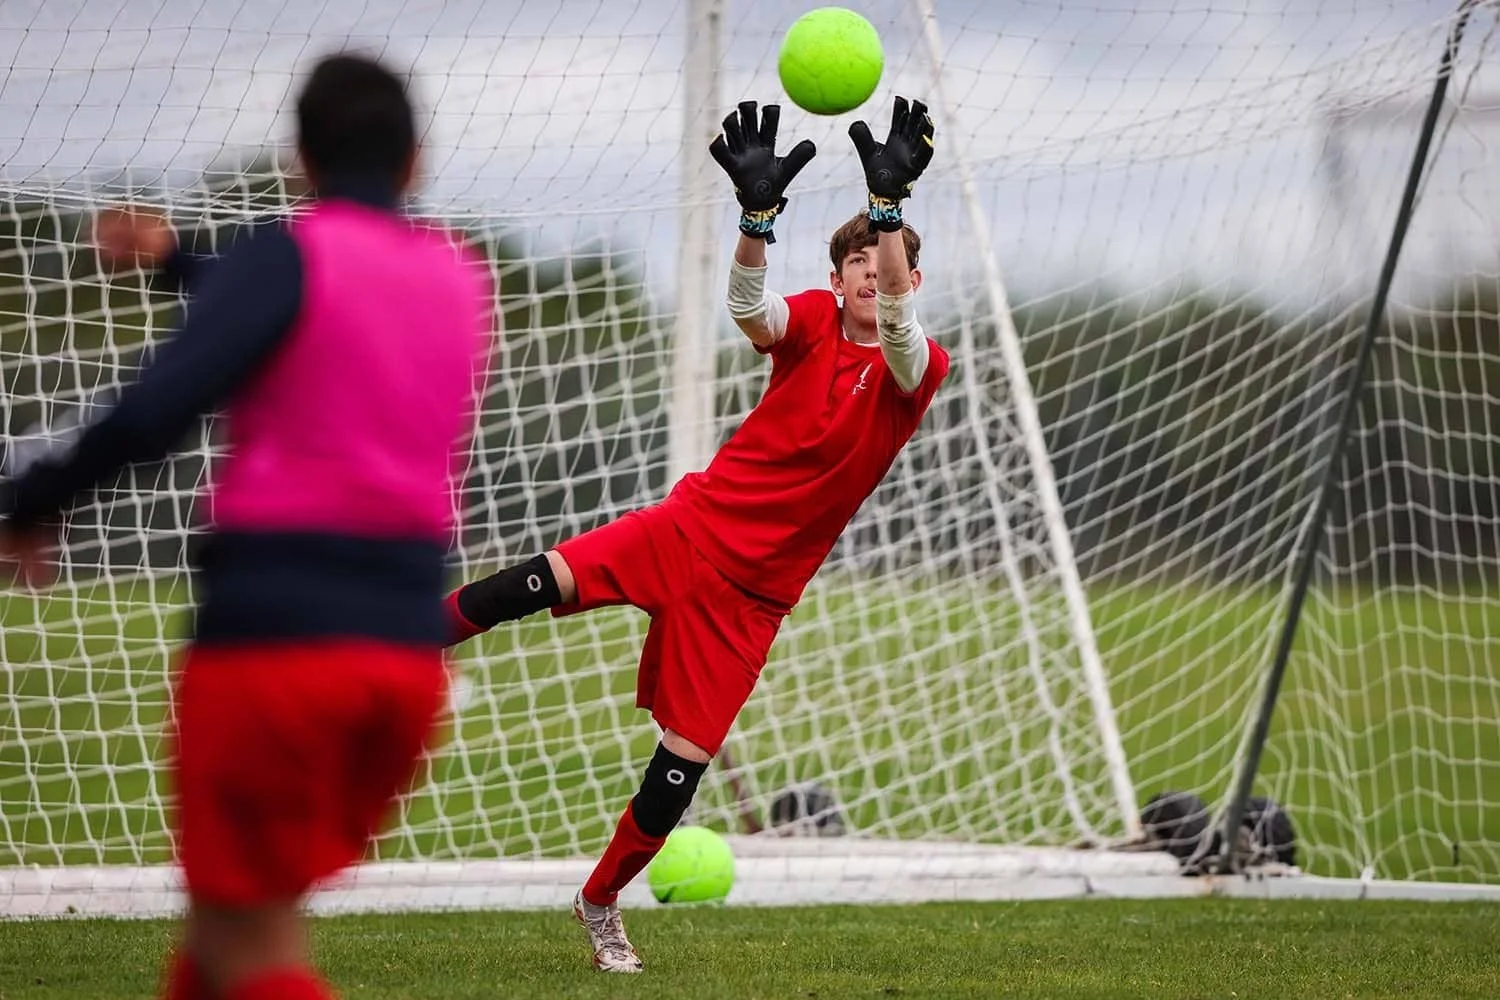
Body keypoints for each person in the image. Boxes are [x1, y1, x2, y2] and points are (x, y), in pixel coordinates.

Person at [0, 54, 491, 1000]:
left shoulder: (287, 252)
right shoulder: (458, 278)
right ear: (417, 160)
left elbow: (156, 409)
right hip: (401, 659)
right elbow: (322, 304)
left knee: (250, 947)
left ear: (299, 160)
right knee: (225, 945)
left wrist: (36, 499)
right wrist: (181, 261)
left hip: (278, 646)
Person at [445, 95, 946, 973]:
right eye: (857, 261)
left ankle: (599, 903)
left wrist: (891, 211)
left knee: (678, 771)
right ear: (836, 279)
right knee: (519, 587)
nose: (873, 271)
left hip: (752, 601)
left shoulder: (918, 365)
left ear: (907, 277)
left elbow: (902, 332)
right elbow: (750, 308)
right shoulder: (812, 321)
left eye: (886, 262)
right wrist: (756, 221)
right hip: (686, 528)